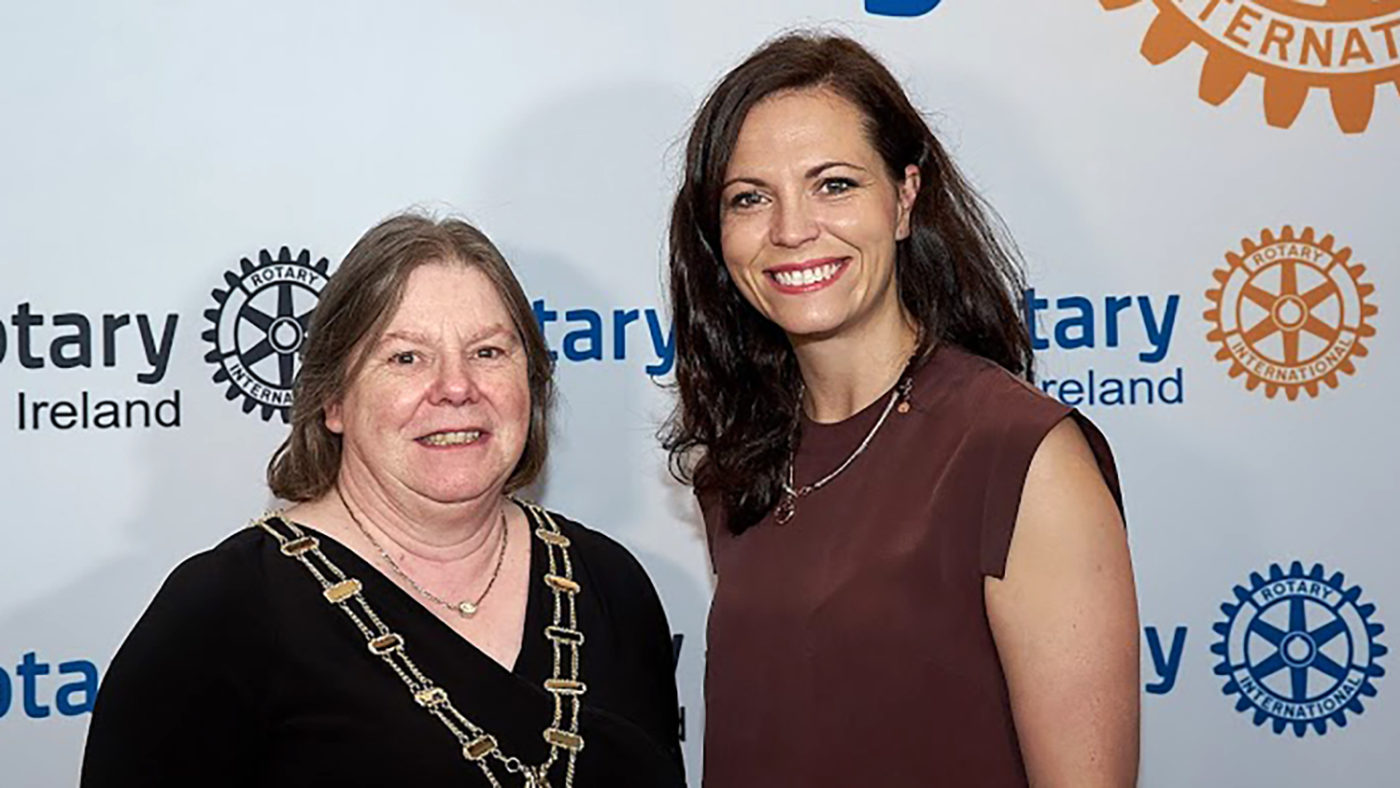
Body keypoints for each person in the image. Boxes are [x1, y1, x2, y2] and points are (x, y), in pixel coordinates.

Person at [663, 33, 1139, 786]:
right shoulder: (739, 468)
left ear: (905, 198)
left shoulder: (1019, 455)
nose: (791, 230)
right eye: (750, 198)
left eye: (835, 185)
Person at [82, 214, 685, 787]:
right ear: (333, 401)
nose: (456, 388)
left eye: (488, 352)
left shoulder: (609, 584)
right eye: (405, 358)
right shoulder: (220, 614)